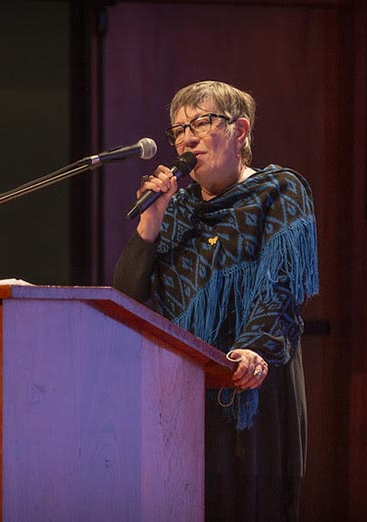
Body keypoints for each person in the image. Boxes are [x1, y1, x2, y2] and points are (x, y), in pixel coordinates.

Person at [113, 80, 319, 521]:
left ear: (240, 131)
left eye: (200, 123)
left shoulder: (279, 190)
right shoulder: (178, 206)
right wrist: (150, 223)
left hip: (252, 380)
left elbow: (280, 284)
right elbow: (127, 296)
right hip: (185, 389)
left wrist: (254, 349)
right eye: (178, 129)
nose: (186, 138)